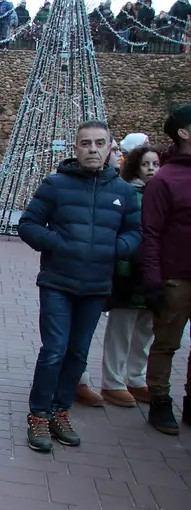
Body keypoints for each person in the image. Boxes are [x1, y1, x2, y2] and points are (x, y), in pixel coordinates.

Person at [18, 120, 141, 453]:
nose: (92, 149)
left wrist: (120, 248)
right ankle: (39, 414)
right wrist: (58, 244)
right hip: (58, 280)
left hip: (96, 285)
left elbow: (135, 231)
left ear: (110, 148)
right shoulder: (56, 185)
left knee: (77, 353)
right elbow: (28, 224)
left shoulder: (124, 192)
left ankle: (60, 410)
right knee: (54, 349)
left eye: (99, 143)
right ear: (76, 148)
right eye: (85, 143)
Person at [77, 145, 159, 408]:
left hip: (155, 270)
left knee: (146, 329)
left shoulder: (160, 194)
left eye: (155, 164)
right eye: (146, 164)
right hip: (129, 271)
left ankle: (136, 377)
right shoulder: (126, 193)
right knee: (121, 328)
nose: (151, 170)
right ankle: (113, 381)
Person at [142, 104, 191, 434]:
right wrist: (154, 281)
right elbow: (151, 233)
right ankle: (160, 401)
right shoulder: (165, 180)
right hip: (176, 277)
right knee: (166, 343)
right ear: (184, 133)